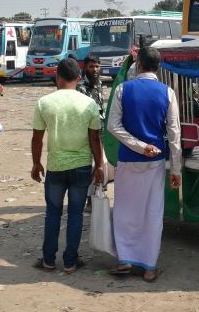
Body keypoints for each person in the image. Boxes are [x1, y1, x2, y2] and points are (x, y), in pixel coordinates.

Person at [107, 47, 181, 282]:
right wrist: (176, 169)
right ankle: (149, 267)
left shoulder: (122, 89)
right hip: (156, 162)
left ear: (138, 65)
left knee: (125, 211)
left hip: (128, 160)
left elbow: (113, 126)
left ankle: (125, 260)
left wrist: (138, 146)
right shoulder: (167, 92)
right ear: (158, 67)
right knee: (152, 212)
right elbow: (175, 133)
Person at [30, 58, 104, 273]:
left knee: (53, 213)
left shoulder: (44, 102)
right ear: (79, 78)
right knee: (76, 214)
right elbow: (95, 139)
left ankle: (48, 260)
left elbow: (37, 138)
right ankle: (71, 261)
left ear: (57, 76)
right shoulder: (88, 103)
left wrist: (36, 163)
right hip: (81, 167)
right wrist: (98, 165)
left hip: (56, 167)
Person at [76, 54, 106, 213]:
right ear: (85, 68)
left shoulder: (99, 84)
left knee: (99, 164)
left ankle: (96, 195)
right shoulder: (81, 87)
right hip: (87, 134)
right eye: (91, 67)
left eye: (97, 66)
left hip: (100, 131)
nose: (95, 70)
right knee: (89, 166)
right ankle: (87, 199)